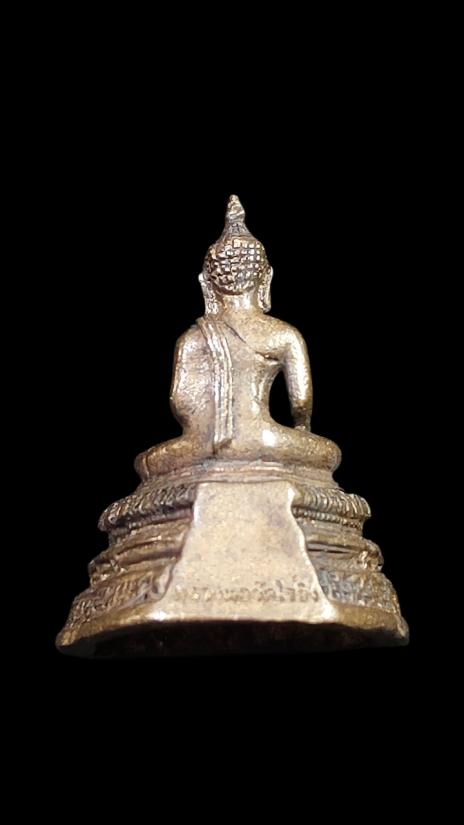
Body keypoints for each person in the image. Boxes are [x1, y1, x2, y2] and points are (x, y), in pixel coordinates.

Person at [135, 196, 340, 481]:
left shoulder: (191, 339)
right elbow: (301, 403)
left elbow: (181, 402)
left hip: (202, 446)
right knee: (329, 453)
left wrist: (206, 433)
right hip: (265, 439)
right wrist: (302, 429)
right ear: (266, 279)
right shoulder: (283, 334)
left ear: (206, 285)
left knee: (146, 462)